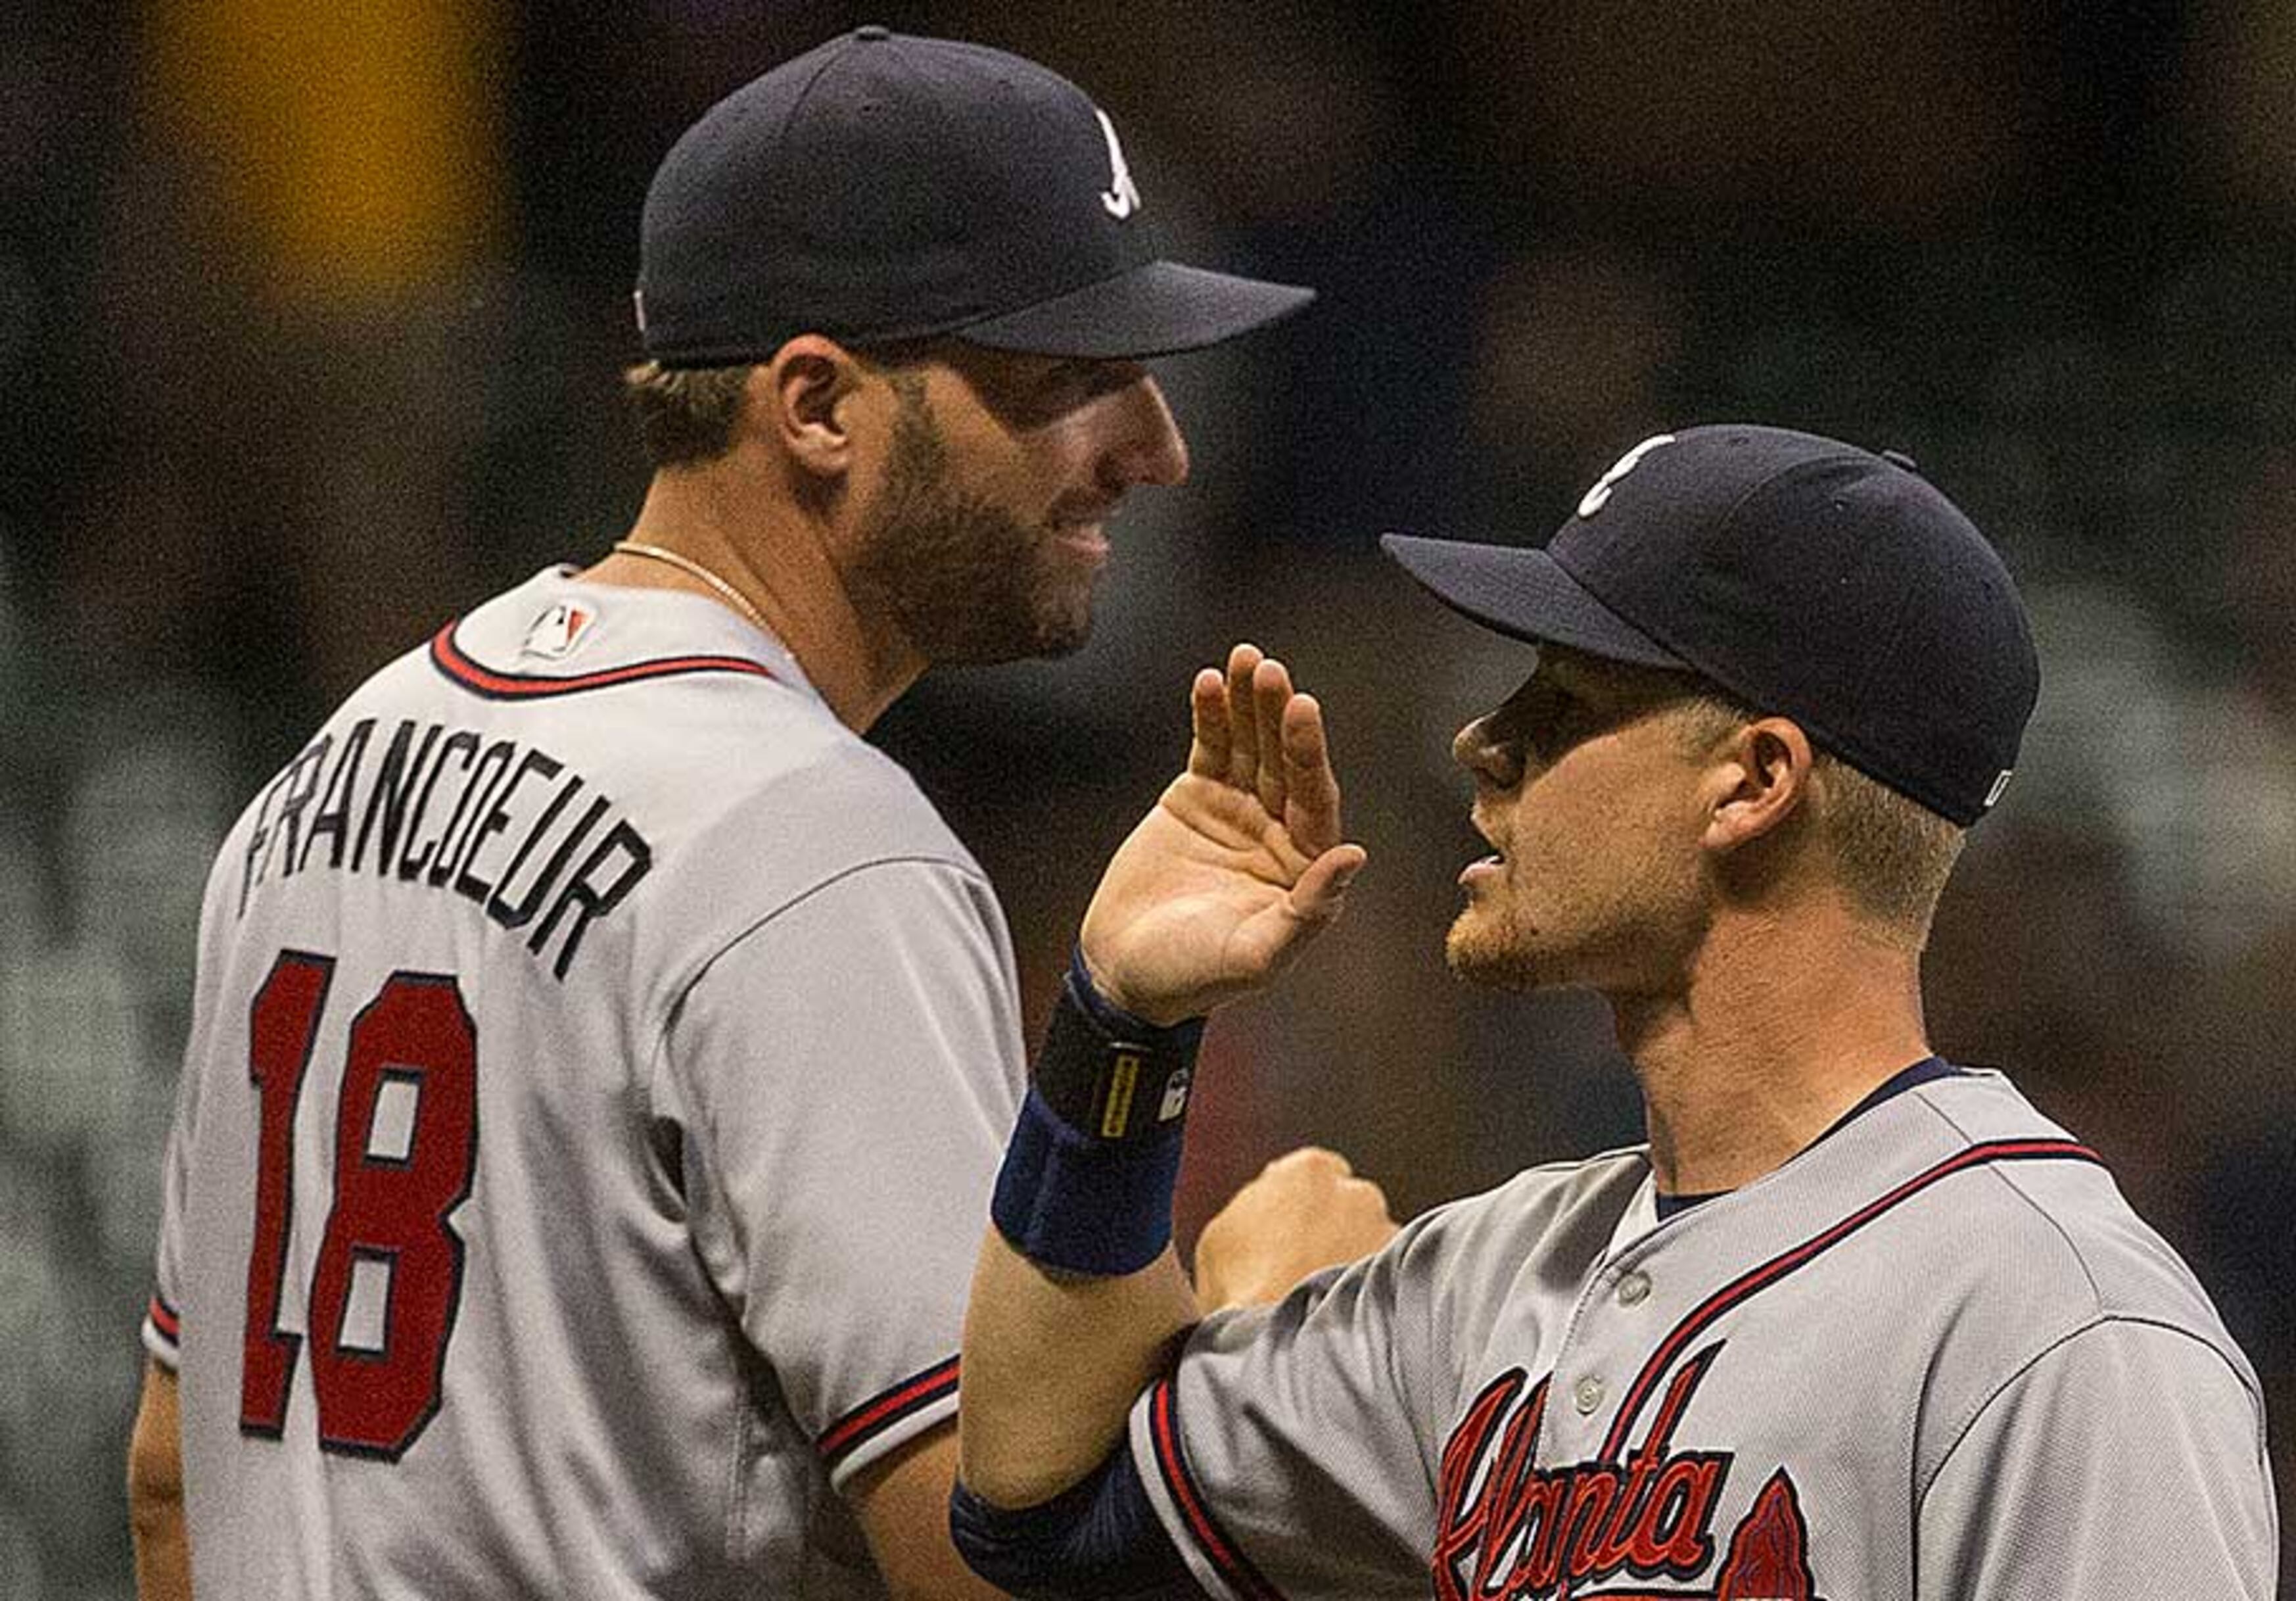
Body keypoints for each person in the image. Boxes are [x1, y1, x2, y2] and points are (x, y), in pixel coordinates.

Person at [123, 27, 1365, 1600]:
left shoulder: (323, 780)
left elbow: (175, 1484)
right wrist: (1263, 1370)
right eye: (1065, 380)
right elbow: (1000, 1569)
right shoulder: (811, 849)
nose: (1155, 449)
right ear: (818, 406)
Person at [953, 425, 2282, 1598]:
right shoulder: (1484, 1282)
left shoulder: (2056, 1326)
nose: (1485, 741)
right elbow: (1047, 1512)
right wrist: (1122, 1025)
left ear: (1752, 782)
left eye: (1569, 699)